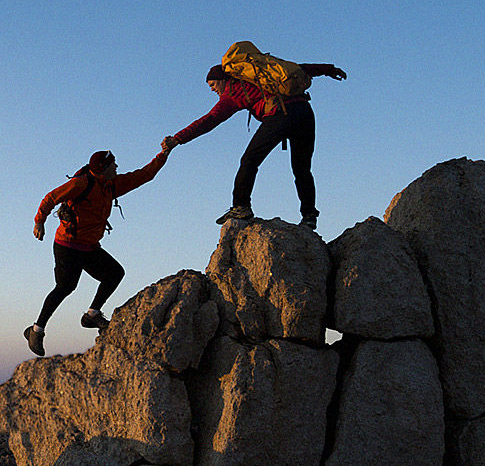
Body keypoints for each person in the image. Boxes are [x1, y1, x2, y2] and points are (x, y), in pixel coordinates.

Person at [161, 58, 346, 230]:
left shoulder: (232, 93)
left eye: (212, 84)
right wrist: (329, 70)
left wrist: (178, 138)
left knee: (249, 160)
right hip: (305, 112)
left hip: (281, 114)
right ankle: (309, 215)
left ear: (222, 80)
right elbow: (300, 69)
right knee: (302, 169)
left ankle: (241, 206)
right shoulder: (259, 75)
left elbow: (209, 120)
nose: (212, 89)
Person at [24, 148, 168, 356]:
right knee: (66, 287)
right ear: (104, 168)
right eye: (113, 164)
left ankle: (91, 315)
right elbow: (51, 197)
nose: (117, 167)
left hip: (89, 247)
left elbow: (144, 175)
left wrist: (163, 154)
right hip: (67, 245)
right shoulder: (82, 184)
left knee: (115, 273)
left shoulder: (110, 186)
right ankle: (36, 330)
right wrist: (39, 221)